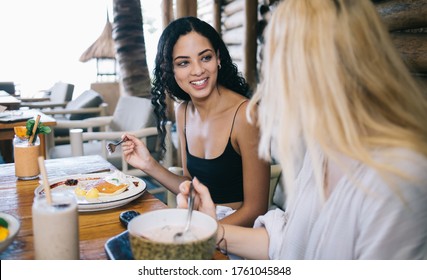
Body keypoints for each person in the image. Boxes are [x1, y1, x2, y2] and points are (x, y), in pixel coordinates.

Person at [177, 0, 427, 259]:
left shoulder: (398, 180)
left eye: (281, 63)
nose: (273, 82)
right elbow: (289, 242)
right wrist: (211, 230)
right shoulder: (324, 146)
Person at [122, 16, 270, 227]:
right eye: (183, 62)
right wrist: (149, 165)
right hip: (198, 222)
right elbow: (192, 185)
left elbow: (256, 209)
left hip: (236, 233)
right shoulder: (183, 112)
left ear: (218, 58)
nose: (198, 70)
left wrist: (202, 234)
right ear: (171, 71)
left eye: (205, 57)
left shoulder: (246, 115)